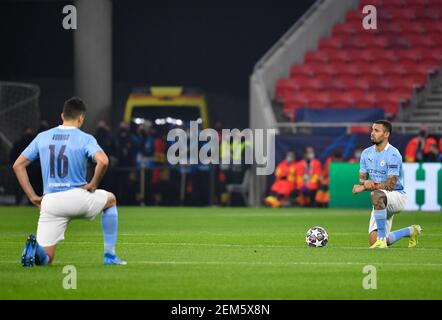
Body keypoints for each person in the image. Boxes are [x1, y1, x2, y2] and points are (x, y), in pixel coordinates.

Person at [12, 97, 126, 266]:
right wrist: (94, 183)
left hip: (50, 202)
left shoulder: (43, 137)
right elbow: (103, 161)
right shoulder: (85, 138)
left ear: (62, 115)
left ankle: (34, 249)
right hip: (77, 197)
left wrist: (32, 196)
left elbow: (18, 165)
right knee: (111, 200)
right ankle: (109, 256)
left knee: (46, 258)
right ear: (81, 118)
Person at [352, 120, 422, 249]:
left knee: (376, 194)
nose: (372, 133)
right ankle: (411, 231)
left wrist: (364, 186)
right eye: (372, 130)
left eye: (376, 131)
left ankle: (381, 240)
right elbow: (362, 178)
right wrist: (364, 182)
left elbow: (390, 185)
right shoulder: (366, 153)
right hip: (380, 200)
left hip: (396, 195)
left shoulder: (393, 154)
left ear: (386, 134)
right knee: (373, 243)